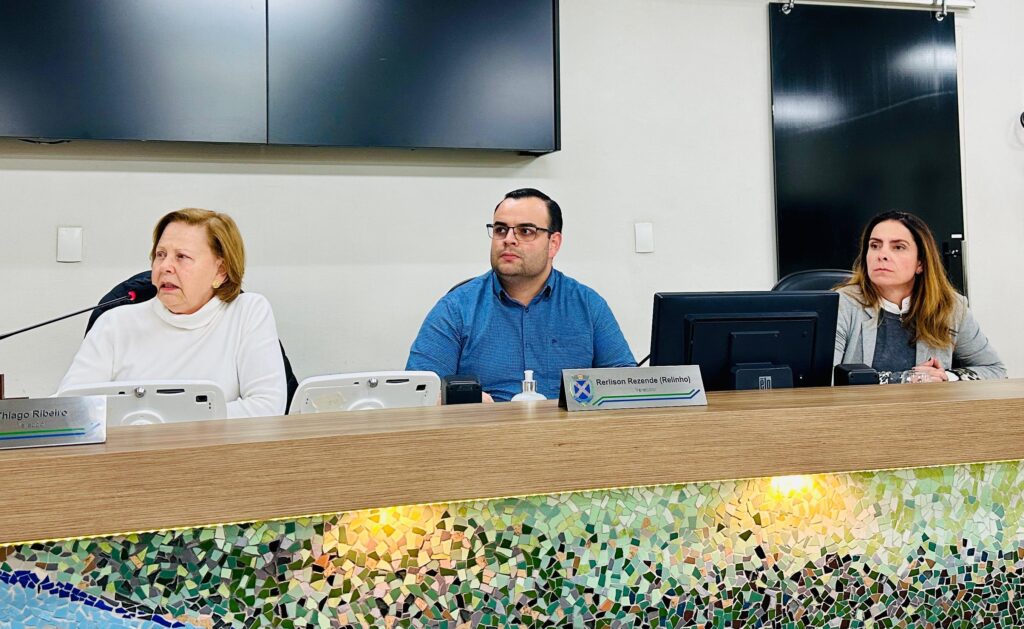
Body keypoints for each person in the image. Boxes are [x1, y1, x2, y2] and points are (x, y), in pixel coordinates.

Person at [406, 188, 636, 401]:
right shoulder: (456, 309)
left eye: (525, 231)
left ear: (553, 244)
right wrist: (466, 401)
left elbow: (627, 386)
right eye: (500, 230)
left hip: (568, 430)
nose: (508, 239)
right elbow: (418, 394)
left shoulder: (587, 305)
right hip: (486, 429)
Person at [58, 208, 287, 417]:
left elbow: (267, 407)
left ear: (221, 271)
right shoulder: (115, 323)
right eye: (160, 254)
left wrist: (160, 421)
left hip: (218, 450)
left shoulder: (247, 313)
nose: (165, 266)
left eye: (181, 257)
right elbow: (69, 410)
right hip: (132, 449)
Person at [834, 210, 1005, 384]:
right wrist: (906, 378)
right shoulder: (842, 305)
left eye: (898, 247)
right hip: (859, 403)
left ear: (920, 263)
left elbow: (995, 370)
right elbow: (824, 379)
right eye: (875, 245)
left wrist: (946, 376)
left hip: (927, 403)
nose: (882, 255)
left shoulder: (950, 307)